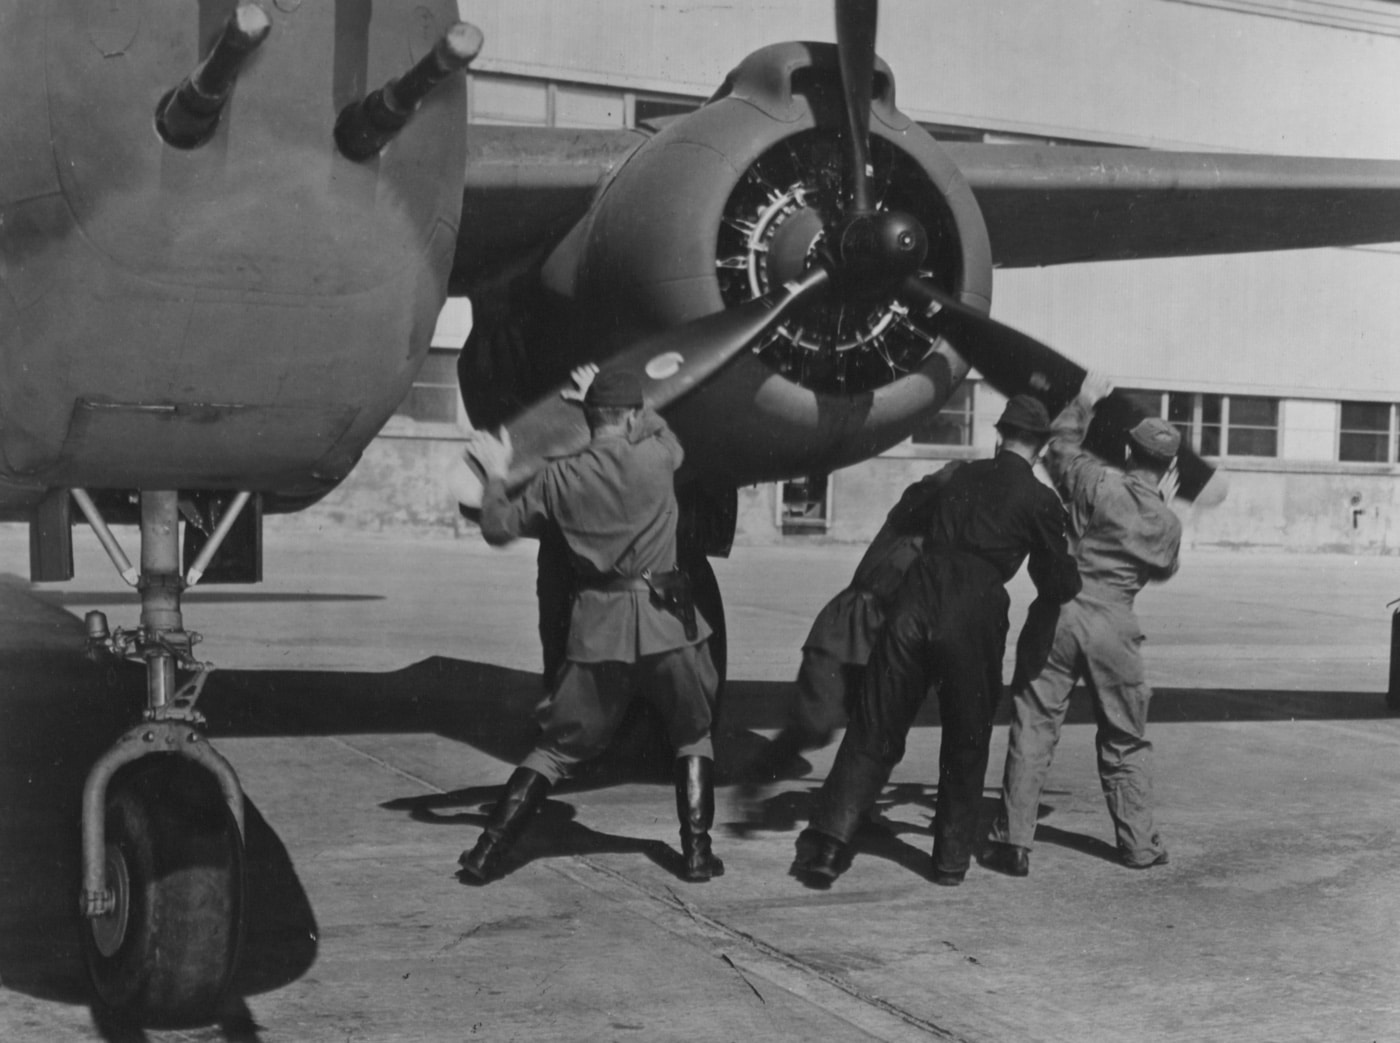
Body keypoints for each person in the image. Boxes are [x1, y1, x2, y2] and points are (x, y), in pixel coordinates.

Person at [793, 394, 1082, 887]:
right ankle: (948, 861)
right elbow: (1056, 582)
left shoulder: (959, 476)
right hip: (975, 613)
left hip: (915, 601)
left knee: (875, 723)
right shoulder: (1040, 500)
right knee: (967, 737)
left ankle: (827, 847)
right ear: (1040, 446)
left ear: (998, 434)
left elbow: (906, 510)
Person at [456, 367, 724, 884]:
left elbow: (496, 526)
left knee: (555, 749)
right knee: (693, 735)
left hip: (598, 631)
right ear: (627, 416)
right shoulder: (658, 457)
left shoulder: (558, 476)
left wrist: (495, 471)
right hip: (668, 626)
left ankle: (486, 853)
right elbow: (656, 425)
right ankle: (696, 856)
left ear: (592, 418)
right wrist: (599, 394)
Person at [983, 373, 1182, 877]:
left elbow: (1059, 447)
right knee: (1125, 736)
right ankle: (1138, 845)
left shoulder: (1096, 481)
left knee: (1034, 723)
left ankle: (1012, 842)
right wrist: (1160, 508)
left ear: (1127, 451)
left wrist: (1086, 399)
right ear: (1170, 466)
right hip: (1114, 623)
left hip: (1059, 613)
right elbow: (1162, 567)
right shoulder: (1167, 522)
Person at [746, 461, 965, 782]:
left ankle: (853, 812)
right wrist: (964, 471)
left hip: (886, 641)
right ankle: (765, 767)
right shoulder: (903, 522)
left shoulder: (946, 548)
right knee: (816, 724)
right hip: (844, 628)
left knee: (876, 734)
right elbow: (928, 488)